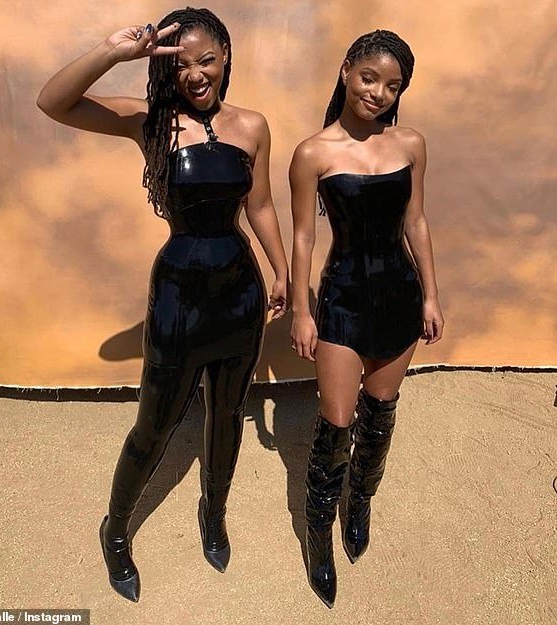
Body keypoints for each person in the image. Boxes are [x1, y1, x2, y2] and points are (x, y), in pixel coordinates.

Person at [37, 7, 288, 603]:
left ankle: (213, 512)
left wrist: (282, 271)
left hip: (241, 294)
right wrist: (113, 51)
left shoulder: (253, 125)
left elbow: (260, 206)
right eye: (182, 65)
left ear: (226, 58)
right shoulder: (150, 121)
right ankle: (115, 529)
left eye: (208, 60)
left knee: (227, 413)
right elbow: (53, 102)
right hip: (177, 293)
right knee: (154, 425)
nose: (196, 74)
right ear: (166, 70)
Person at [289, 29, 444, 608]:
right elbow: (303, 237)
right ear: (347, 71)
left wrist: (431, 295)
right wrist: (301, 310)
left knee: (379, 416)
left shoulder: (411, 144)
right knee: (336, 424)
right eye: (369, 78)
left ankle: (360, 505)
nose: (377, 93)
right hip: (343, 299)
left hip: (400, 294)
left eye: (392, 86)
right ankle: (318, 535)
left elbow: (417, 222)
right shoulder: (312, 153)